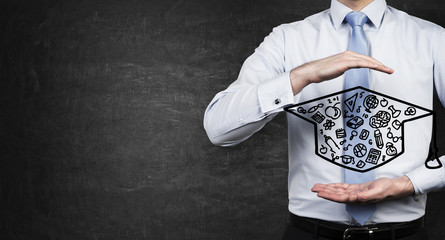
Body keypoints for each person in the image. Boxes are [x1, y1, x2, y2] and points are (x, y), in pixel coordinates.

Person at [204, 0, 445, 239]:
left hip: (406, 233)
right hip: (308, 233)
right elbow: (218, 128)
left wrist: (410, 183)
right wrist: (300, 76)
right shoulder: (287, 38)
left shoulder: (432, 38)